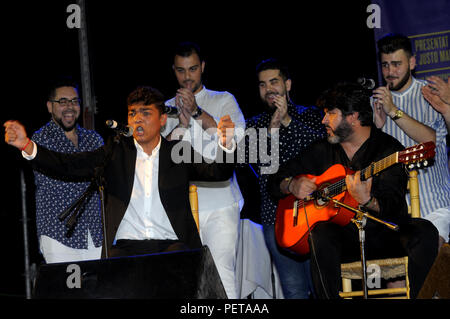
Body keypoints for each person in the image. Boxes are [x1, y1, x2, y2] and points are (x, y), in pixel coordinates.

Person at [4, 86, 236, 260]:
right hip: (126, 246)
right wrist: (27, 146)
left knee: (176, 266)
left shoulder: (178, 151)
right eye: (133, 113)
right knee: (112, 273)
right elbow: (70, 164)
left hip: (171, 243)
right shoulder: (115, 151)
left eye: (145, 113)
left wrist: (225, 143)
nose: (137, 119)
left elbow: (217, 173)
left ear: (162, 119)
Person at [268, 82, 438, 299]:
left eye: (330, 114)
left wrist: (368, 201)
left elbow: (396, 207)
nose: (323, 120)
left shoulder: (388, 150)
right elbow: (275, 179)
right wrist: (291, 184)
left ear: (353, 117)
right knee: (319, 234)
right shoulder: (322, 151)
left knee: (425, 231)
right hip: (343, 241)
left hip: (382, 236)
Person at [161, 42, 245, 299]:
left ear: (203, 68)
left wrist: (197, 112)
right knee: (187, 278)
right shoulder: (165, 107)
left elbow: (238, 143)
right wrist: (182, 127)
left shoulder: (223, 99)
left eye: (193, 69)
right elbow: (163, 158)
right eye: (181, 70)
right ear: (174, 71)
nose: (187, 76)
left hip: (220, 201)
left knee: (221, 274)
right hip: (180, 206)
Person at [239, 58, 326, 298]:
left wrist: (287, 121)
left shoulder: (310, 115)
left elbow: (321, 151)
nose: (269, 89)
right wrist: (272, 132)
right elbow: (258, 167)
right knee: (293, 289)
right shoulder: (254, 125)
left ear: (287, 84)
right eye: (262, 85)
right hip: (274, 218)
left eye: (274, 82)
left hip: (314, 212)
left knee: (321, 286)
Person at [372, 33, 450, 248]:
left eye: (396, 64)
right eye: (385, 65)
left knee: (431, 265)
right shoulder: (375, 101)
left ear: (412, 62)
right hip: (395, 211)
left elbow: (431, 142)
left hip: (434, 205)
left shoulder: (431, 94)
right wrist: (376, 130)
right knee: (394, 278)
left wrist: (393, 111)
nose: (390, 72)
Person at [32, 78, 104, 263]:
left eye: (74, 101)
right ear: (50, 106)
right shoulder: (41, 140)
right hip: (59, 236)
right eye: (62, 102)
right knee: (67, 291)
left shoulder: (93, 139)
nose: (69, 107)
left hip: (95, 234)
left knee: (101, 291)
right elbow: (67, 168)